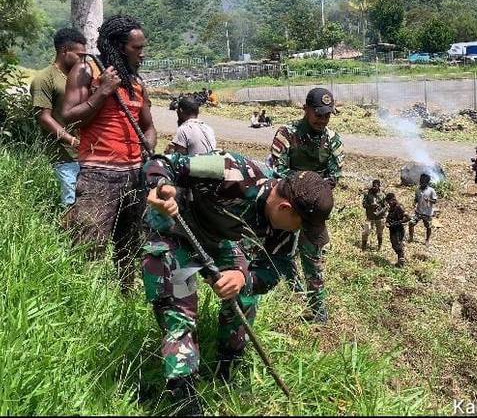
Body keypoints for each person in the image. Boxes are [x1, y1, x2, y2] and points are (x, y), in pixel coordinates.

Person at [142, 152, 334, 414]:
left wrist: (243, 278)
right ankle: (184, 397)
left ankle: (226, 368)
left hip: (220, 240)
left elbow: (275, 267)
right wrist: (161, 187)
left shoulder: (286, 229)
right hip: (175, 231)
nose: (298, 233)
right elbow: (164, 162)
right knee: (181, 312)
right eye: (300, 226)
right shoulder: (230, 169)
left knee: (244, 298)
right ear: (285, 209)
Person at [61, 15, 157, 294]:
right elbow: (68, 117)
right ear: (117, 46)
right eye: (136, 48)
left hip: (133, 174)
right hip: (99, 174)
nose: (142, 53)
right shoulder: (87, 70)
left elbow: (148, 127)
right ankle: (81, 299)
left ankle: (124, 296)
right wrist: (102, 92)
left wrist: (148, 151)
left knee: (129, 245)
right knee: (89, 246)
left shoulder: (136, 83)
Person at [269, 87, 344, 324]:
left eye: (327, 115)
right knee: (281, 251)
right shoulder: (286, 134)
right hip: (287, 206)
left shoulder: (332, 140)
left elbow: (335, 175)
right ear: (305, 109)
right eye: (318, 114)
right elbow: (276, 170)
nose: (322, 119)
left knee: (312, 258)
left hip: (312, 209)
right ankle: (294, 289)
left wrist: (309, 188)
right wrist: (307, 183)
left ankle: (317, 308)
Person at [30, 28, 87, 208]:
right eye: (79, 55)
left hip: (84, 154)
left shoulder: (78, 77)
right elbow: (43, 117)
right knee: (68, 204)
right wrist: (71, 140)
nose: (83, 59)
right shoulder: (44, 78)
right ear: (64, 51)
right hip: (62, 156)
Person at [409, 173, 438, 246]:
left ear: (427, 182)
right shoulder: (418, 189)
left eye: (423, 182)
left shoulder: (431, 190)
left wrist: (429, 200)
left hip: (427, 213)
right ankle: (411, 238)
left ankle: (427, 240)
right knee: (411, 223)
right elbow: (416, 198)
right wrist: (414, 202)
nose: (421, 183)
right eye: (421, 181)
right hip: (418, 211)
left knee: (428, 227)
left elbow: (435, 201)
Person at [361, 179, 386, 251]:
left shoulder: (382, 195)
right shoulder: (368, 194)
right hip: (370, 217)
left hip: (380, 217)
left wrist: (379, 209)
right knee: (365, 232)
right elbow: (364, 204)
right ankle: (363, 247)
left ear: (379, 186)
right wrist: (370, 205)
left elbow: (386, 207)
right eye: (373, 186)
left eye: (376, 186)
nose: (374, 188)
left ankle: (379, 246)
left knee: (379, 233)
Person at [385, 192, 409, 268]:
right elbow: (389, 217)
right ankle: (400, 260)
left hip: (398, 229)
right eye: (388, 202)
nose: (389, 203)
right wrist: (387, 222)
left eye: (391, 201)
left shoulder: (399, 207)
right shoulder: (391, 207)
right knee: (394, 245)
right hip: (392, 229)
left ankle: (401, 262)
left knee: (398, 245)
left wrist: (397, 222)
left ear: (394, 199)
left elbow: (408, 218)